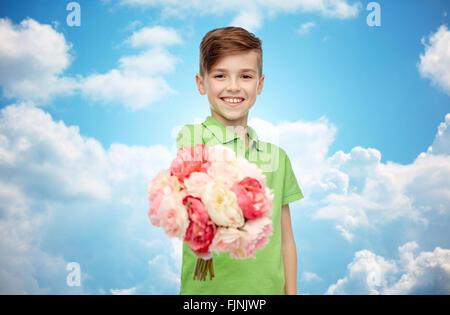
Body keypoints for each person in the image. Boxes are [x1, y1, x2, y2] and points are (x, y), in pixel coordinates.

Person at [176, 26, 304, 295]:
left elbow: (285, 240)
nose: (233, 86)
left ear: (259, 84)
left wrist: (291, 292)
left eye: (245, 76)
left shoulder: (277, 158)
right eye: (220, 75)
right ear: (202, 83)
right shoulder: (193, 140)